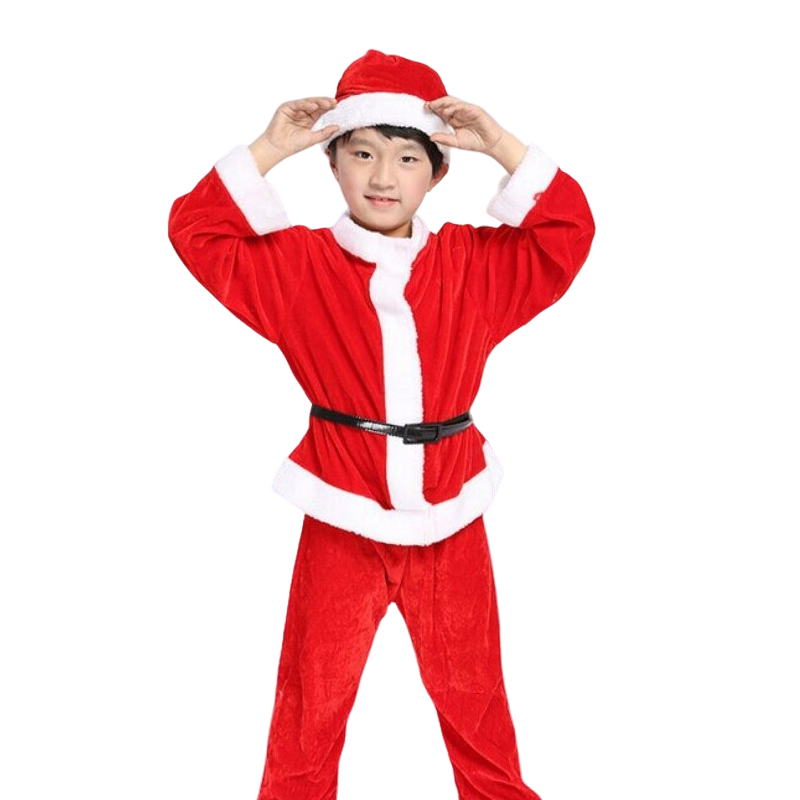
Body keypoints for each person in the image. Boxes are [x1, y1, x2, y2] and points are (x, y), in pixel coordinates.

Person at [168, 49, 594, 800]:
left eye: (407, 158)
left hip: (452, 510)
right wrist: (269, 147)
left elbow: (567, 231)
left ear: (437, 172)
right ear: (332, 163)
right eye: (362, 153)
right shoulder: (296, 267)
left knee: (477, 705)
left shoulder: (473, 264)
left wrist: (500, 144)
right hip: (342, 507)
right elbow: (196, 229)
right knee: (310, 707)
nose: (383, 177)